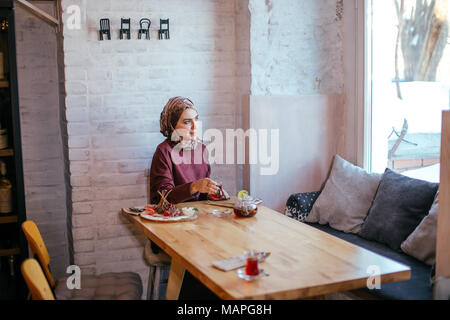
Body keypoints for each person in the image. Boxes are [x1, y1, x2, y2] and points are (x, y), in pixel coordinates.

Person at [148, 96, 225, 299]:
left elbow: (202, 196)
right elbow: (162, 199)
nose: (194, 127)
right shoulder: (163, 152)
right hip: (168, 227)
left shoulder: (202, 150)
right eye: (186, 121)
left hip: (198, 225)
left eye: (196, 120)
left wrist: (214, 192)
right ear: (172, 125)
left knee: (224, 249)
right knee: (199, 258)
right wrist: (194, 186)